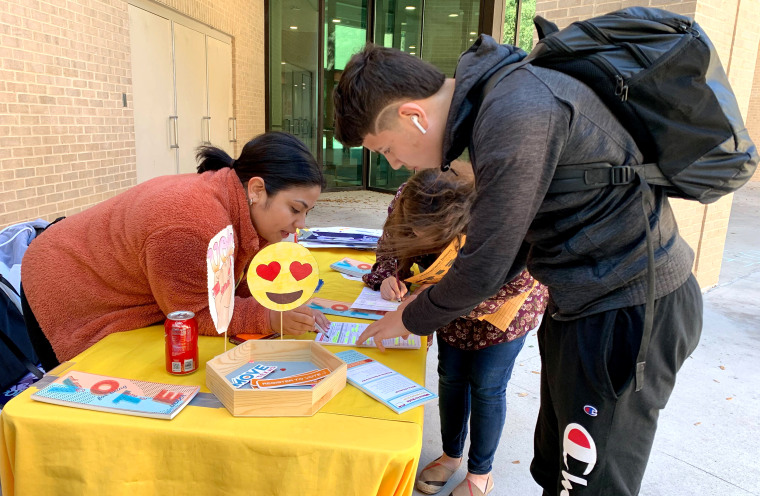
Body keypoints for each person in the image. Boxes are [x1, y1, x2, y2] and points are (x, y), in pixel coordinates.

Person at [333, 39, 703, 496]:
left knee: (585, 481)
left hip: (624, 310)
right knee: (554, 467)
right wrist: (421, 304)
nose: (395, 164)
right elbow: (513, 248)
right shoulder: (499, 104)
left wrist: (410, 317)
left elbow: (485, 263)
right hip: (582, 306)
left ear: (413, 115)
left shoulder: (515, 112)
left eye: (387, 148)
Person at [20, 132, 330, 370]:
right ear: (257, 189)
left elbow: (237, 280)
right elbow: (193, 312)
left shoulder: (233, 201)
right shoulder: (192, 225)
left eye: (307, 213)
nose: (299, 224)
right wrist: (270, 317)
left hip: (102, 271)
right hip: (64, 284)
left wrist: (277, 302)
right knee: (84, 399)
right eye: (295, 209)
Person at [364, 169, 547, 495]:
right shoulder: (406, 200)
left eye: (434, 240)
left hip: (503, 312)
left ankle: (480, 474)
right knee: (450, 377)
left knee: (488, 386)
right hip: (444, 308)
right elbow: (389, 248)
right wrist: (392, 275)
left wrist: (423, 305)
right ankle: (451, 455)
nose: (423, 244)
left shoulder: (499, 219)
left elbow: (500, 287)